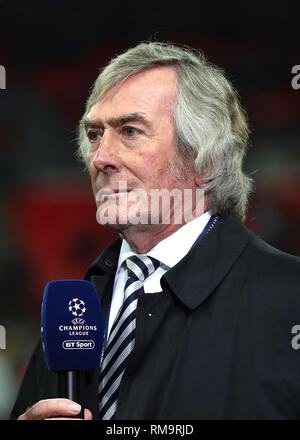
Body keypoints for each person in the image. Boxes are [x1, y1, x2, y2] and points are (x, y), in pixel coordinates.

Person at [11, 41, 300, 420]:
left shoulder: (289, 297)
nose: (100, 158)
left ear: (205, 161)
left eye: (130, 131)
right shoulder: (75, 306)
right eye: (95, 134)